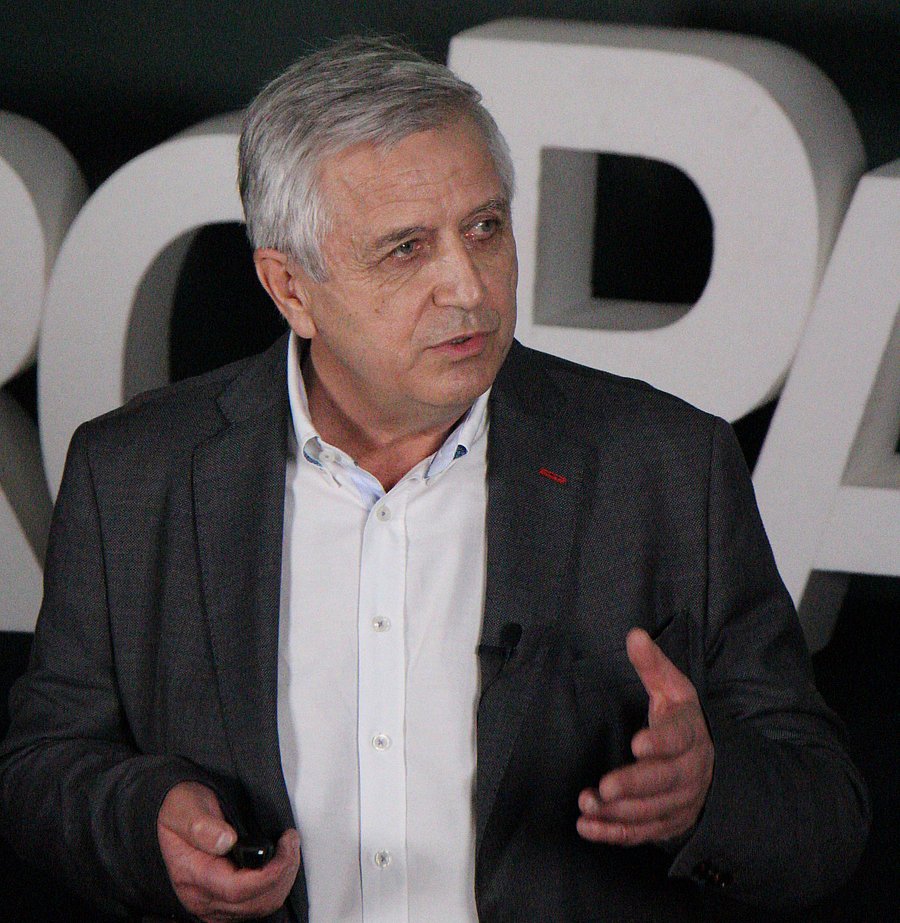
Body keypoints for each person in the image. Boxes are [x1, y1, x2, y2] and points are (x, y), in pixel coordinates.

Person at [0, 36, 869, 923]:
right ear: (290, 288)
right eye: (407, 249)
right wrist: (145, 821)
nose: (469, 287)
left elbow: (825, 808)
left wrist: (706, 791)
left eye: (484, 228)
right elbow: (43, 767)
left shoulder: (668, 466)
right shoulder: (134, 476)